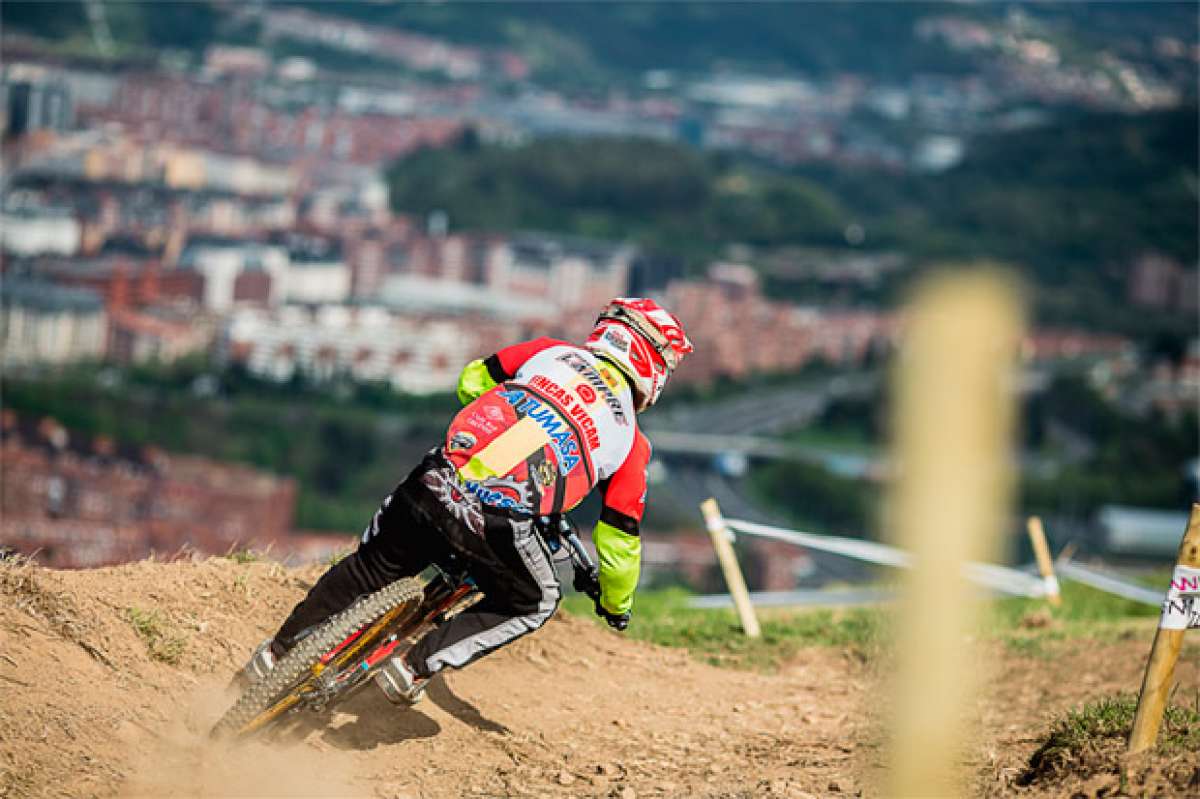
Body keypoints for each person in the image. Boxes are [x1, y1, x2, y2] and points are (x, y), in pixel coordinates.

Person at [241, 298, 693, 704]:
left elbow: (472, 381)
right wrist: (616, 605)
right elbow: (620, 540)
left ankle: (275, 655)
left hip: (437, 476)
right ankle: (412, 669)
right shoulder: (631, 441)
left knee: (371, 566)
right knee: (535, 601)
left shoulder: (548, 352)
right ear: (651, 365)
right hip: (497, 522)